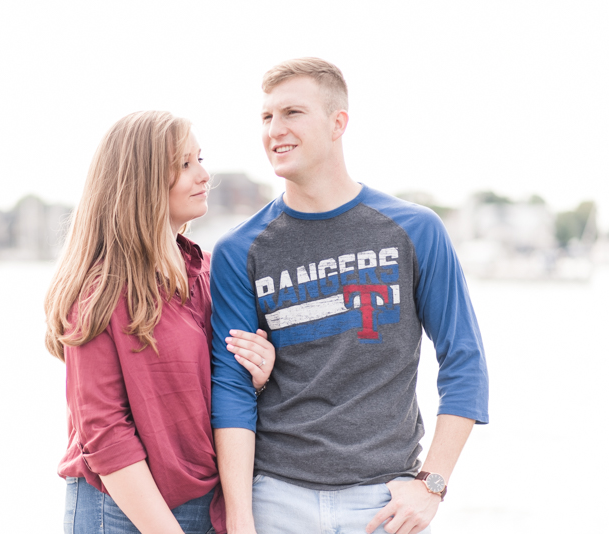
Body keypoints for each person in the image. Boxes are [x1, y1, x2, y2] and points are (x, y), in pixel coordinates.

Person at [209, 58, 489, 534]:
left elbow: (465, 362)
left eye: (292, 113)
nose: (275, 129)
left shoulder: (415, 230)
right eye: (266, 117)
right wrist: (240, 517)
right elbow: (232, 387)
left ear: (338, 122)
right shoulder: (239, 250)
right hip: (276, 501)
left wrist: (432, 484)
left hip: (385, 504)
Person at [44, 110, 276, 534]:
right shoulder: (100, 290)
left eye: (200, 158)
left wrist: (257, 376)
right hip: (121, 509)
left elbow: (219, 391)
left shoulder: (210, 272)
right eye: (185, 165)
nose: (205, 175)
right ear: (142, 182)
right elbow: (104, 433)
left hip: (207, 503)